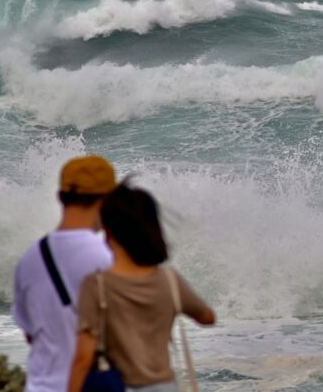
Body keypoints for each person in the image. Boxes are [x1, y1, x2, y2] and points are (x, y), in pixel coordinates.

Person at [68, 182, 215, 392]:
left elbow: (83, 357)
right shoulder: (170, 281)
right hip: (165, 387)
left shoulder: (97, 285)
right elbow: (207, 317)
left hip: (120, 386)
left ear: (108, 230)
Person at [13, 155, 117, 392]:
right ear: (108, 200)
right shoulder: (107, 259)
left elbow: (30, 335)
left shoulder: (29, 259)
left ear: (60, 197)